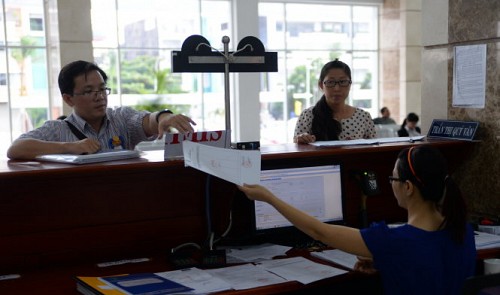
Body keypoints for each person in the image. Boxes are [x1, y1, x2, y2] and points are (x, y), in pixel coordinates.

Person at [238, 145, 476, 295]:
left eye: (392, 179)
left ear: (408, 187)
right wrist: (386, 263)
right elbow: (430, 270)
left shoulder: (393, 241)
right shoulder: (462, 230)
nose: (390, 184)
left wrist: (269, 197)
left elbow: (319, 232)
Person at [7, 60, 196, 160]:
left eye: (102, 89)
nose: (100, 96)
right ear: (68, 98)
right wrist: (69, 147)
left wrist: (163, 117)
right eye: (89, 91)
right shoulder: (58, 130)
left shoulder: (120, 119)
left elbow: (146, 120)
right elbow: (16, 149)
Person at [293, 59, 376, 144]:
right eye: (330, 82)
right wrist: (301, 140)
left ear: (350, 84)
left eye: (343, 82)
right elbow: (297, 151)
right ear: (321, 85)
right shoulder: (307, 116)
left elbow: (375, 151)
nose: (337, 88)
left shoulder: (363, 117)